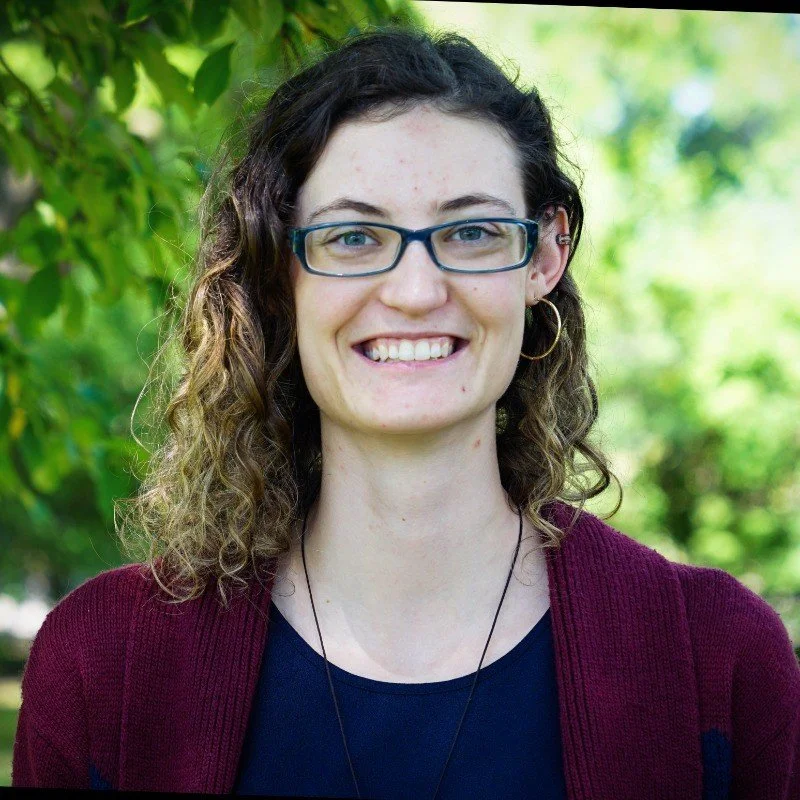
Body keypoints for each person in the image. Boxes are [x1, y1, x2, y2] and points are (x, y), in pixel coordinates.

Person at [12, 25, 799, 799]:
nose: (417, 291)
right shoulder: (104, 665)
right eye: (354, 235)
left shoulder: (722, 660)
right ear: (277, 265)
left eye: (474, 231)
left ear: (545, 256)